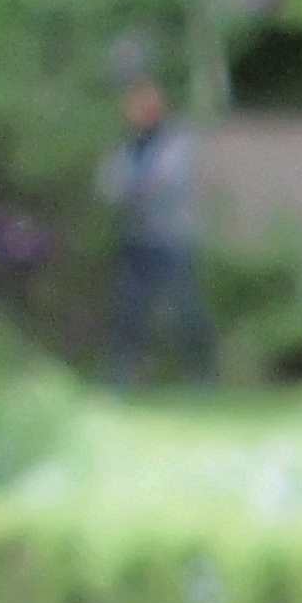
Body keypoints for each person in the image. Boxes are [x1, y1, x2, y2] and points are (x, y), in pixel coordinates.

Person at [98, 81, 210, 382]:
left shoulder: (175, 142)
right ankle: (123, 373)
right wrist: (135, 188)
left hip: (171, 238)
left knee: (186, 307)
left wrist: (135, 188)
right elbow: (109, 187)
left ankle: (200, 373)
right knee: (129, 309)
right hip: (137, 239)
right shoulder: (127, 147)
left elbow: (167, 182)